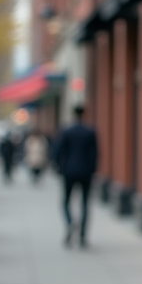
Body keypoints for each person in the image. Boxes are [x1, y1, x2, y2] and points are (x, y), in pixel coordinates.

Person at [54, 105, 99, 248]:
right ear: (84, 114)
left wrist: (60, 168)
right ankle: (83, 236)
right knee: (85, 203)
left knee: (66, 201)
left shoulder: (66, 131)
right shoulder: (90, 131)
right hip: (86, 172)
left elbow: (58, 152)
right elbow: (95, 154)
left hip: (69, 171)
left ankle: (70, 223)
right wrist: (92, 170)